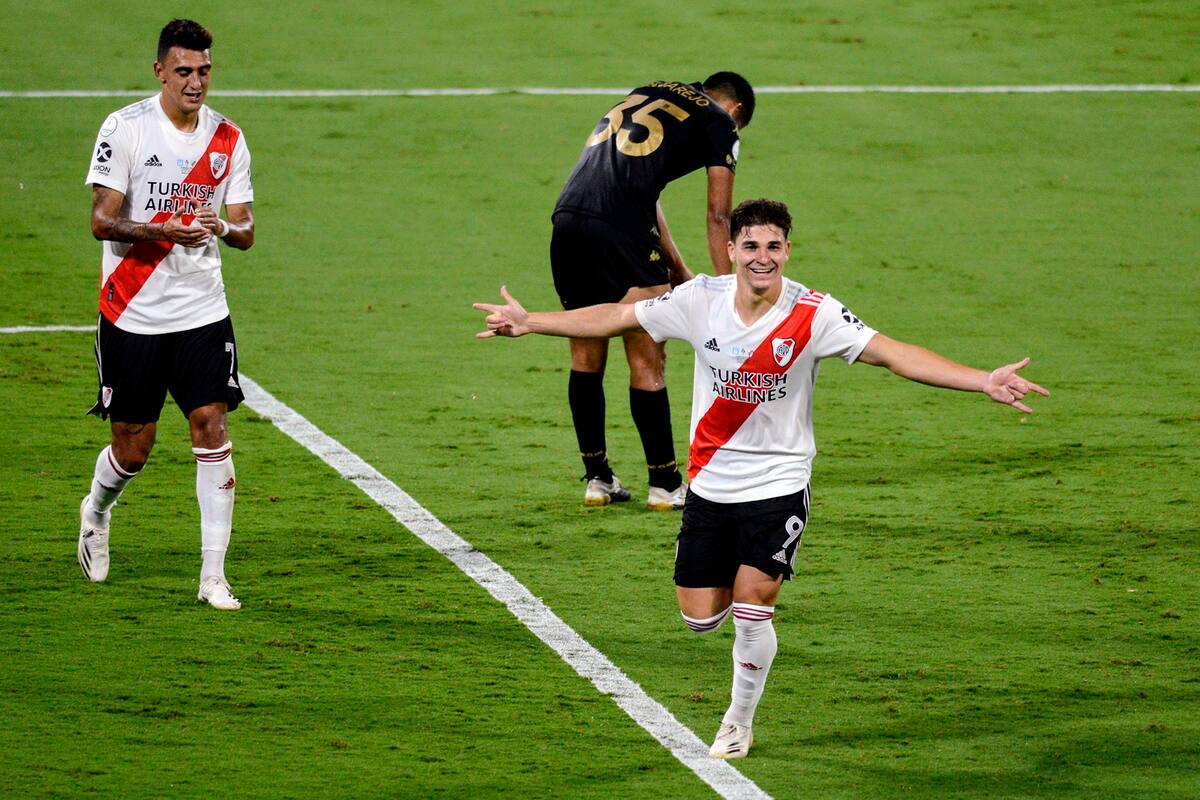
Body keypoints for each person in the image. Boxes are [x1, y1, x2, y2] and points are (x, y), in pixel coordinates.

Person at [475, 198, 1049, 758]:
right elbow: (617, 316)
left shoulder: (814, 313)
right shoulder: (700, 299)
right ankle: (731, 594)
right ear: (731, 250)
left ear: (787, 251)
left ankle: (737, 721)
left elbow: (894, 354)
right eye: (750, 245)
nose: (762, 256)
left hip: (779, 483)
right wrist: (533, 323)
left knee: (754, 606)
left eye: (773, 246)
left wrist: (981, 380)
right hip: (711, 485)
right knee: (699, 618)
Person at [78, 18, 255, 611]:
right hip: (132, 311)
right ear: (160, 71)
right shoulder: (125, 128)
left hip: (203, 308)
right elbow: (103, 222)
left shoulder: (228, 138)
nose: (196, 82)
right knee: (133, 447)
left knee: (212, 425)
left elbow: (247, 229)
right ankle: (98, 511)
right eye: (184, 70)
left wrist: (222, 227)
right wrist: (165, 230)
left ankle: (213, 576)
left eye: (204, 70)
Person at [551, 73, 755, 510]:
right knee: (647, 354)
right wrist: (726, 292)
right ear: (735, 111)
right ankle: (664, 483)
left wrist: (678, 267)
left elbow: (641, 190)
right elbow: (720, 217)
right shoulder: (720, 121)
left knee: (585, 353)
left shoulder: (651, 90)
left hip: (567, 218)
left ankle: (597, 478)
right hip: (621, 230)